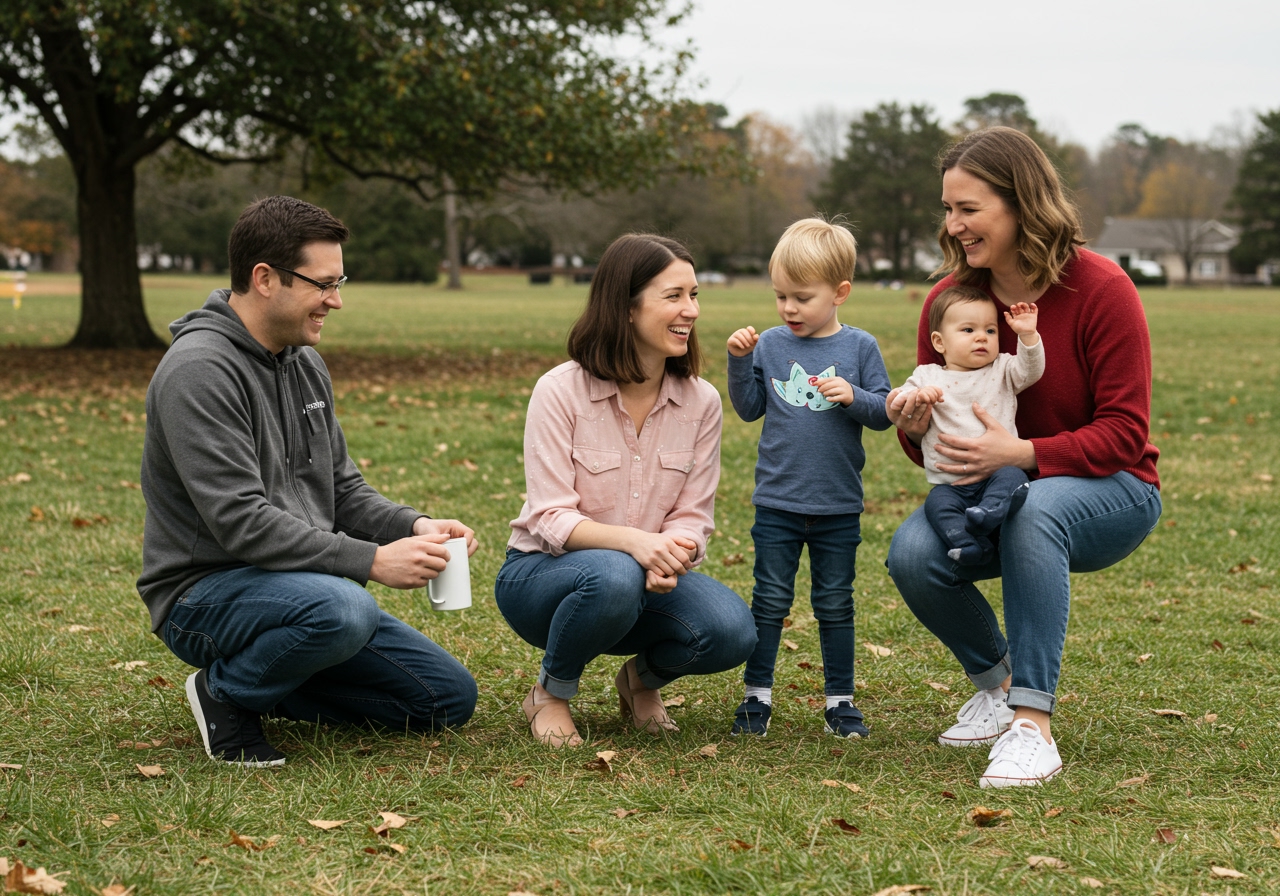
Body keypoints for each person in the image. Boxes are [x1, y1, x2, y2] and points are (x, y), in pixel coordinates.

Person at [138, 196, 479, 767]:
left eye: (338, 281)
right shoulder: (198, 371)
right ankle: (223, 694)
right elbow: (240, 520)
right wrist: (372, 561)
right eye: (323, 284)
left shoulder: (303, 361)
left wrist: (413, 524)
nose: (336, 301)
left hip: (301, 588)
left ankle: (269, 676)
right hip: (204, 595)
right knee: (346, 610)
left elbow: (341, 488)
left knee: (444, 698)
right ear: (265, 278)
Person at [885, 127, 1162, 788]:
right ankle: (999, 688)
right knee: (913, 554)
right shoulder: (950, 301)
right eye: (948, 210)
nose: (953, 226)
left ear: (1020, 203)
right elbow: (940, 440)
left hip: (1111, 488)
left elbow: (1126, 433)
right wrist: (913, 421)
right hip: (989, 493)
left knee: (1034, 508)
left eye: (968, 209)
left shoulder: (1102, 288)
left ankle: (1032, 726)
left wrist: (1025, 451)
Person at [495, 233, 756, 748]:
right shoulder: (559, 391)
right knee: (614, 573)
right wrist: (638, 547)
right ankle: (549, 694)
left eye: (695, 294)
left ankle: (639, 684)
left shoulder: (701, 401)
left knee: (731, 631)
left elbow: (693, 515)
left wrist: (672, 554)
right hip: (543, 578)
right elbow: (550, 517)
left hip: (647, 580)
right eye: (674, 296)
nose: (692, 311)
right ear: (627, 306)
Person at [724, 218, 892, 738]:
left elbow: (885, 411)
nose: (789, 309)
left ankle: (840, 700)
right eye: (780, 297)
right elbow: (750, 408)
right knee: (770, 599)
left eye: (802, 297)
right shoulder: (771, 345)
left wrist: (854, 397)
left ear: (840, 292)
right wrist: (739, 362)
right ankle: (757, 696)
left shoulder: (861, 347)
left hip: (838, 504)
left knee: (835, 602)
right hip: (777, 502)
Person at [890, 285, 1043, 565]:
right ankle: (967, 544)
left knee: (1013, 479)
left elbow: (1031, 370)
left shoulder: (1002, 369)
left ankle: (988, 513)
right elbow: (897, 400)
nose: (981, 338)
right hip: (952, 485)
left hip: (998, 473)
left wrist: (1028, 335)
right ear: (939, 342)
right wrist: (914, 398)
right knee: (936, 505)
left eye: (990, 330)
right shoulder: (928, 375)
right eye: (968, 330)